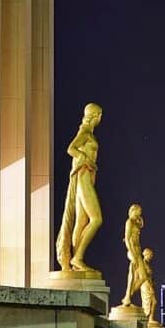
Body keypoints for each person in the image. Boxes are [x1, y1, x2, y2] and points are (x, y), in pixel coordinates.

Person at [55, 103, 103, 273]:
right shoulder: (85, 133)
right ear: (94, 115)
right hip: (83, 178)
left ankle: (74, 261)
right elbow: (71, 149)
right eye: (99, 115)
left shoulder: (88, 133)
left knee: (81, 222)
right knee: (96, 219)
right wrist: (85, 159)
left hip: (87, 177)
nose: (100, 118)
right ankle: (78, 257)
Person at [121, 204, 146, 306]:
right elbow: (126, 238)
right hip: (132, 250)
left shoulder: (136, 223)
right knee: (132, 272)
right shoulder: (129, 222)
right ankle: (127, 297)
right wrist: (130, 251)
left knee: (143, 276)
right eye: (139, 210)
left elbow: (142, 225)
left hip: (138, 251)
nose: (140, 212)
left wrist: (140, 219)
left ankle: (128, 294)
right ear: (133, 210)